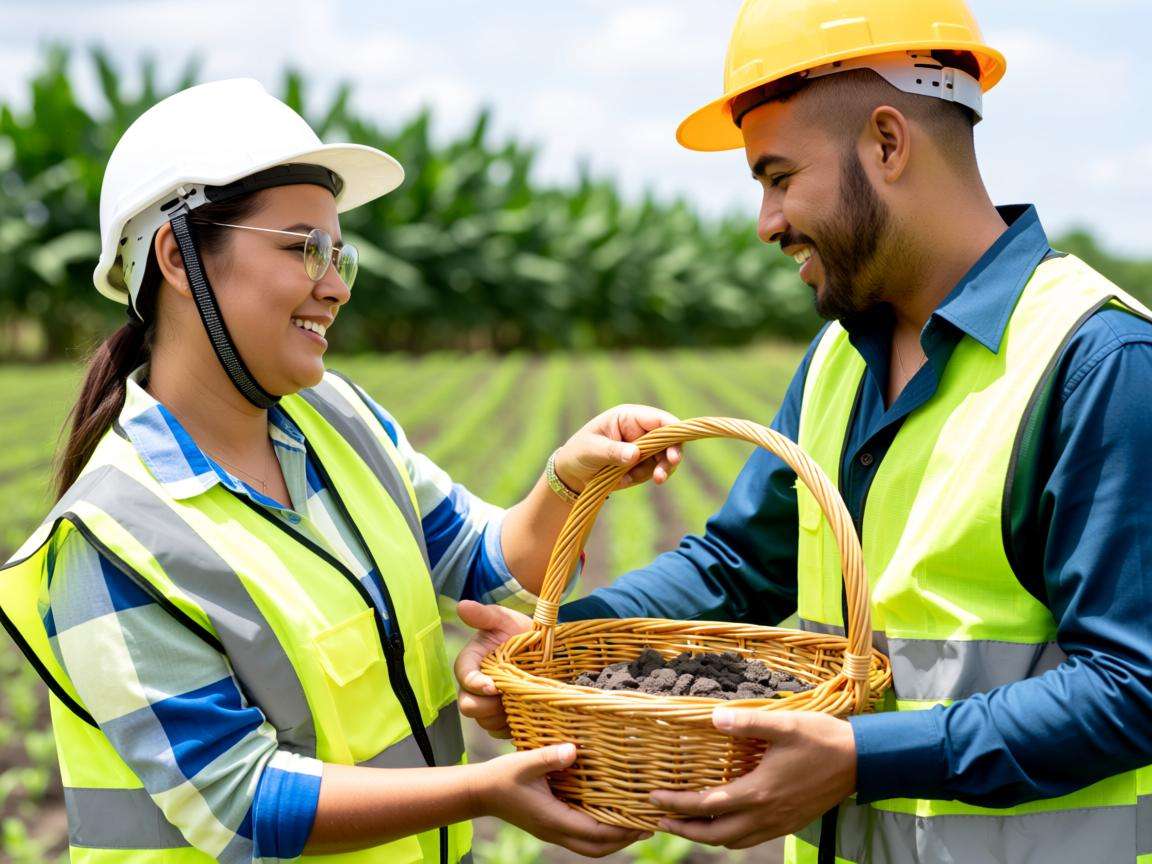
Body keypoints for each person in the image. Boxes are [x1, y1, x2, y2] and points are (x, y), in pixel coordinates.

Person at [454, 1, 1152, 861]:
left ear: (888, 143)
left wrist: (860, 760)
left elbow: (1135, 686)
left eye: (778, 177)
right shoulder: (837, 361)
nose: (767, 222)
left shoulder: (1099, 363)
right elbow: (738, 566)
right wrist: (563, 649)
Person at [0, 78, 681, 863]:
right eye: (304, 248)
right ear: (177, 259)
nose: (336, 285)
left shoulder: (340, 421)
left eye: (339, 253)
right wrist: (483, 791)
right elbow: (241, 803)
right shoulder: (110, 536)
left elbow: (482, 562)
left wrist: (569, 480)